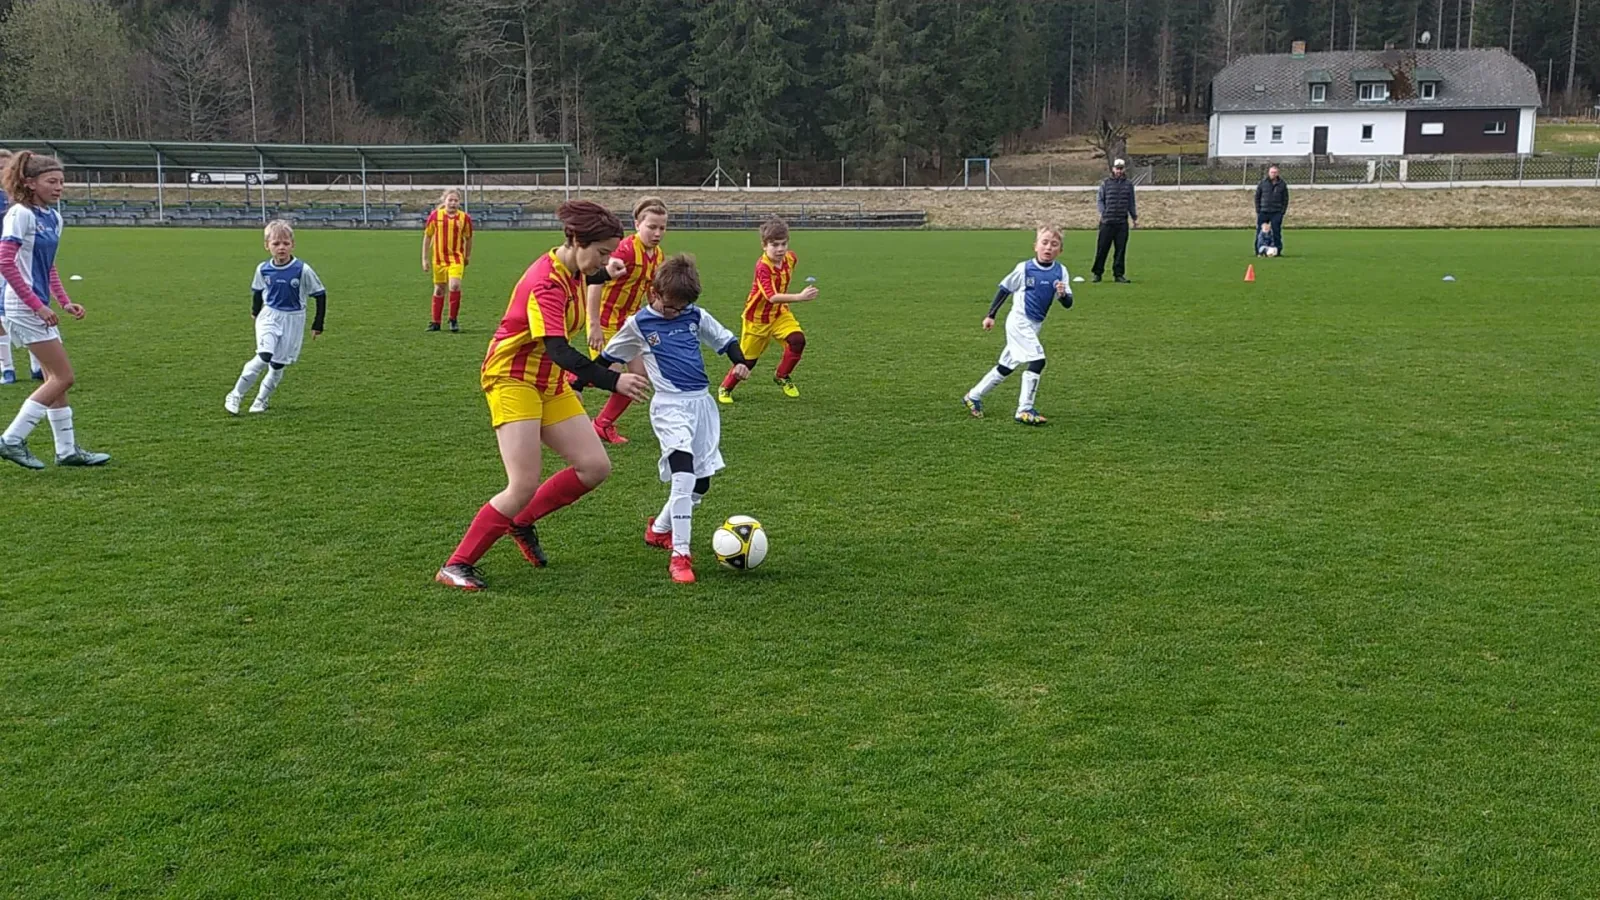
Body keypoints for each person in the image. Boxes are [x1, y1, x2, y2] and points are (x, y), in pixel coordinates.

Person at [435, 200, 649, 592]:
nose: (605, 260)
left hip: (548, 380)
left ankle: (520, 522)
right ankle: (456, 564)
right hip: (512, 379)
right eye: (602, 252)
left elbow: (588, 276)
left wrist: (606, 272)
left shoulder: (575, 268)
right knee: (522, 484)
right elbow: (560, 351)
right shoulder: (546, 283)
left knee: (595, 467)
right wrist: (612, 381)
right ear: (576, 241)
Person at [596, 254, 751, 584]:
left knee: (701, 482)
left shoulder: (694, 314)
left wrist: (740, 362)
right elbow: (606, 358)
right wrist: (578, 382)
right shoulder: (639, 324)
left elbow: (725, 339)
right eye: (670, 308)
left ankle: (659, 528)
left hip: (702, 406)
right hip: (669, 407)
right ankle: (680, 555)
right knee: (683, 475)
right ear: (653, 292)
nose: (676, 313)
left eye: (681, 308)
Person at [0, 151, 110, 469]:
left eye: (61, 181)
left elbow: (48, 267)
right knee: (63, 377)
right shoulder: (20, 214)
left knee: (53, 377)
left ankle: (66, 450)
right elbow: (5, 262)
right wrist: (36, 306)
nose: (59, 187)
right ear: (29, 183)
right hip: (23, 306)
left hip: (36, 305)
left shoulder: (53, 218)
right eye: (52, 181)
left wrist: (63, 301)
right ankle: (11, 439)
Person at [962, 225, 1073, 426]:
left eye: (1054, 244)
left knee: (1006, 366)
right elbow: (1004, 289)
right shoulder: (1024, 268)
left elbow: (1068, 304)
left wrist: (1063, 294)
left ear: (1060, 250)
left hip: (1035, 325)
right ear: (1035, 246)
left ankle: (973, 396)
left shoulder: (1061, 271)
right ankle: (1024, 409)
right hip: (1019, 322)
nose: (1048, 248)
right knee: (1038, 360)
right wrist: (991, 315)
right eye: (1044, 243)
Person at [581, 196, 667, 445]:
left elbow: (650, 290)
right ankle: (569, 376)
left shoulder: (658, 255)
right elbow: (595, 283)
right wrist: (594, 324)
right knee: (612, 376)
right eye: (652, 227)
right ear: (637, 224)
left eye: (662, 228)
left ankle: (602, 424)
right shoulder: (625, 250)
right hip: (606, 321)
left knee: (637, 378)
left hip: (630, 325)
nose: (657, 233)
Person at [225, 221, 328, 415]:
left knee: (277, 365)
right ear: (267, 245)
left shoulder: (303, 270)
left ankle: (261, 400)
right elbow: (257, 291)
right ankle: (235, 395)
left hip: (293, 319)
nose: (281, 247)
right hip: (270, 315)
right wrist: (255, 312)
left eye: (286, 243)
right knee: (264, 355)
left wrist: (318, 324)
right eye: (276, 243)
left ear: (293, 245)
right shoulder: (263, 269)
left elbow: (320, 295)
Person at [717, 216, 818, 403]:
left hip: (780, 314)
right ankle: (725, 387)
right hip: (758, 319)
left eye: (783, 244)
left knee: (797, 340)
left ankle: (782, 375)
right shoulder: (763, 267)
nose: (780, 249)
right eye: (774, 245)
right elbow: (771, 296)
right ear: (764, 246)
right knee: (747, 362)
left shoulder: (790, 258)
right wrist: (800, 297)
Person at [0, 148, 43, 386]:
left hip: (20, 263)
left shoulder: (22, 204)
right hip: (4, 260)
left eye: (7, 167)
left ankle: (37, 365)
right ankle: (7, 368)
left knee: (31, 308)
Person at [423, 188, 473, 332]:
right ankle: (435, 322)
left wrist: (467, 256)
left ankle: (453, 319)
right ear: (444, 201)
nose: (453, 203)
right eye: (450, 200)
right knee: (439, 289)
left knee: (455, 286)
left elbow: (469, 238)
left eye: (456, 200)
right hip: (439, 259)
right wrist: (425, 258)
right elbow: (428, 237)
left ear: (459, 202)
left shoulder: (464, 218)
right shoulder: (435, 216)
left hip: (456, 259)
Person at [1090, 158, 1138, 283]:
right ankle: (1097, 273)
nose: (1119, 171)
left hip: (1122, 222)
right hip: (1107, 222)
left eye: (1121, 168)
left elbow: (1131, 202)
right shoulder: (1106, 183)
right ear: (1113, 169)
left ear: (1124, 169)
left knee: (1120, 250)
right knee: (1102, 249)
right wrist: (1103, 212)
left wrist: (1134, 217)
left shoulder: (1128, 185)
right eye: (1117, 168)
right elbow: (1100, 200)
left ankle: (1118, 274)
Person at [1255, 165, 1289, 255]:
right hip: (1264, 211)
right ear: (1269, 173)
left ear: (1278, 173)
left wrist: (1282, 211)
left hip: (1276, 212)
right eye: (1272, 172)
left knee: (1276, 231)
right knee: (1260, 231)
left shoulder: (1282, 184)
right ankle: (1258, 250)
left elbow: (1285, 198)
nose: (1273, 174)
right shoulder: (1262, 183)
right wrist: (1258, 209)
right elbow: (1257, 197)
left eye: (1275, 172)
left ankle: (1278, 251)